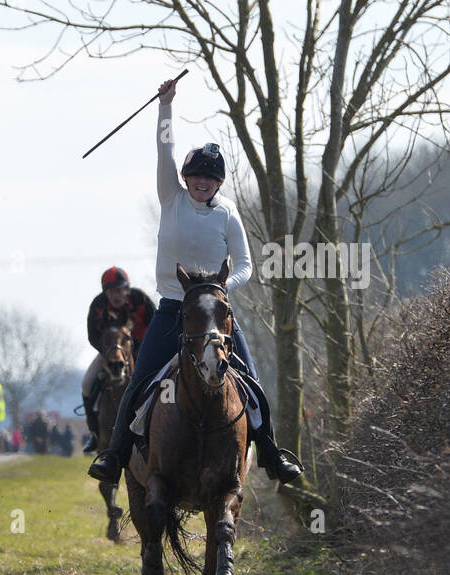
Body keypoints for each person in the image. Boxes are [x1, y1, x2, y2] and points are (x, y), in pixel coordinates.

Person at [89, 76, 302, 486]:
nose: (202, 182)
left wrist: (218, 293)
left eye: (210, 178)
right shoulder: (171, 198)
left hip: (215, 314)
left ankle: (272, 457)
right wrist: (165, 105)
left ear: (219, 183)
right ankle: (114, 456)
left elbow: (245, 265)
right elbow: (164, 148)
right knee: (139, 380)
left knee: (252, 384)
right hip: (172, 309)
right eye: (196, 176)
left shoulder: (228, 214)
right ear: (186, 178)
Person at [80, 267, 155, 452]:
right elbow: (92, 336)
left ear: (127, 290)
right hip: (110, 353)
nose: (117, 295)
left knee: (164, 381)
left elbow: (156, 325)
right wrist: (108, 353)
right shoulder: (98, 305)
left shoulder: (141, 300)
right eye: (112, 291)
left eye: (120, 290)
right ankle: (95, 433)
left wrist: (143, 351)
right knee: (87, 384)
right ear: (106, 292)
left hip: (144, 350)